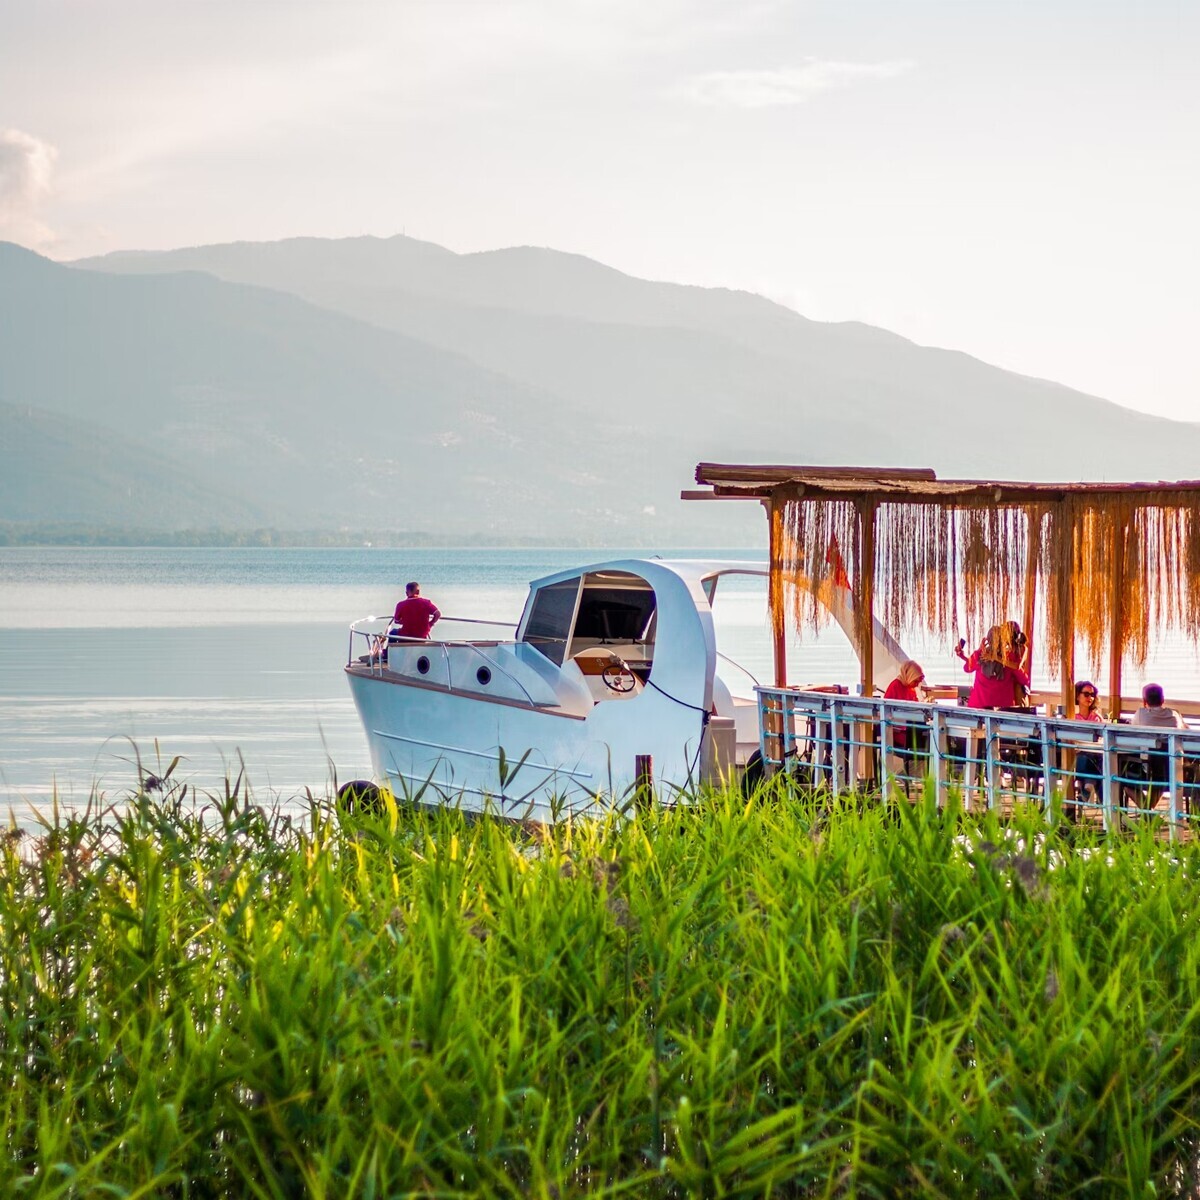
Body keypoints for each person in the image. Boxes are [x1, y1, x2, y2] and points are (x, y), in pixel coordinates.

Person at [954, 623, 1030, 709]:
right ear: (1004, 641)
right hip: (1002, 712)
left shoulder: (979, 655)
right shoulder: (1010, 660)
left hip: (978, 709)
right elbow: (1025, 680)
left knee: (966, 694)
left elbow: (967, 668)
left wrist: (974, 653)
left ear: (987, 639)